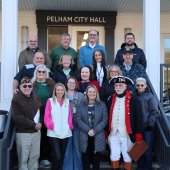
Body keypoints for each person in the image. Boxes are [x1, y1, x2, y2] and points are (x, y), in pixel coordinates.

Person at [107, 76, 143, 170]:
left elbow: (139, 117)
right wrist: (106, 131)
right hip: (113, 132)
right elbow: (107, 115)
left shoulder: (134, 100)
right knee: (114, 155)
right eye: (116, 85)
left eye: (120, 85)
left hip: (127, 133)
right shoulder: (110, 99)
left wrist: (138, 133)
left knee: (127, 156)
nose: (118, 87)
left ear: (125, 86)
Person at [11, 77, 42, 170]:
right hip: (23, 133)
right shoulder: (16, 99)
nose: (27, 88)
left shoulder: (36, 98)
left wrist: (41, 123)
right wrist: (33, 125)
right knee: (23, 159)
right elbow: (17, 117)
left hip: (36, 133)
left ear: (32, 87)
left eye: (29, 86)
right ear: (20, 87)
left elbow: (42, 113)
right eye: (24, 86)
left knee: (35, 156)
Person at [76, 85, 108, 170]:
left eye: (94, 92)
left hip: (98, 135)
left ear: (96, 93)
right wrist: (88, 130)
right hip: (84, 135)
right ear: (86, 93)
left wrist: (95, 130)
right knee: (85, 159)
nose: (92, 93)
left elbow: (104, 120)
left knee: (96, 160)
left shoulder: (102, 105)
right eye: (90, 92)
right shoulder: (80, 105)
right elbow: (78, 120)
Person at [44, 83, 73, 170]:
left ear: (64, 91)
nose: (60, 91)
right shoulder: (50, 101)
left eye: (61, 90)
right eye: (58, 90)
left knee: (62, 156)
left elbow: (70, 115)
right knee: (57, 156)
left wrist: (70, 124)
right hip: (53, 132)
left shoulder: (67, 101)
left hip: (65, 132)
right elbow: (46, 115)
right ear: (55, 91)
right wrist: (50, 124)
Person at [32, 64, 55, 168]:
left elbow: (56, 95)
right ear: (36, 73)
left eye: (43, 72)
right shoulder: (31, 84)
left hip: (49, 113)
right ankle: (36, 158)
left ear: (46, 73)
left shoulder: (51, 83)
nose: (41, 73)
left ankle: (45, 158)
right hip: (36, 114)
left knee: (47, 136)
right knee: (37, 137)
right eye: (39, 72)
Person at [135, 77, 159, 170]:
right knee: (138, 150)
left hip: (147, 128)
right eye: (138, 85)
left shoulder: (150, 97)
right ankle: (140, 167)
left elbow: (154, 112)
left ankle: (148, 168)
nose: (140, 87)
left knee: (147, 150)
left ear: (145, 86)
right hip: (137, 128)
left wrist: (150, 125)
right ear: (136, 86)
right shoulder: (134, 96)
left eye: (142, 85)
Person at [63, 77, 84, 170]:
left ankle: (78, 168)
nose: (71, 84)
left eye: (73, 83)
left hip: (78, 125)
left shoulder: (81, 96)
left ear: (76, 84)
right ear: (66, 84)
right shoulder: (62, 95)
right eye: (69, 82)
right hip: (65, 125)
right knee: (67, 149)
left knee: (77, 148)